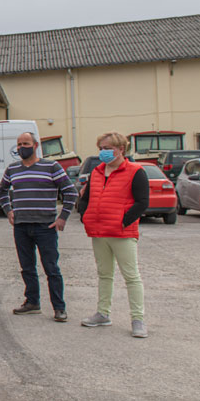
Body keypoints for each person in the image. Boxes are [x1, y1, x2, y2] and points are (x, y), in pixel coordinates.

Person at [0, 132, 78, 322]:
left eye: (25, 143)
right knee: (27, 267)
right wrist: (9, 210)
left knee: (51, 268)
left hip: (45, 226)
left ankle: (59, 307)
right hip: (21, 225)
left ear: (35, 145)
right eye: (18, 145)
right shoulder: (13, 169)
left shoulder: (51, 166)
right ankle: (32, 302)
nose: (21, 148)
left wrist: (62, 218)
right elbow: (2, 190)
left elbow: (70, 192)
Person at [76, 132, 149, 338]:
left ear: (121, 150)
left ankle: (138, 319)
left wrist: (123, 221)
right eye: (101, 148)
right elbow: (86, 197)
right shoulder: (97, 172)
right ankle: (103, 313)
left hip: (122, 233)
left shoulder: (136, 171)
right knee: (104, 274)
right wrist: (85, 215)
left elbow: (142, 202)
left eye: (108, 148)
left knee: (131, 276)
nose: (104, 152)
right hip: (99, 232)